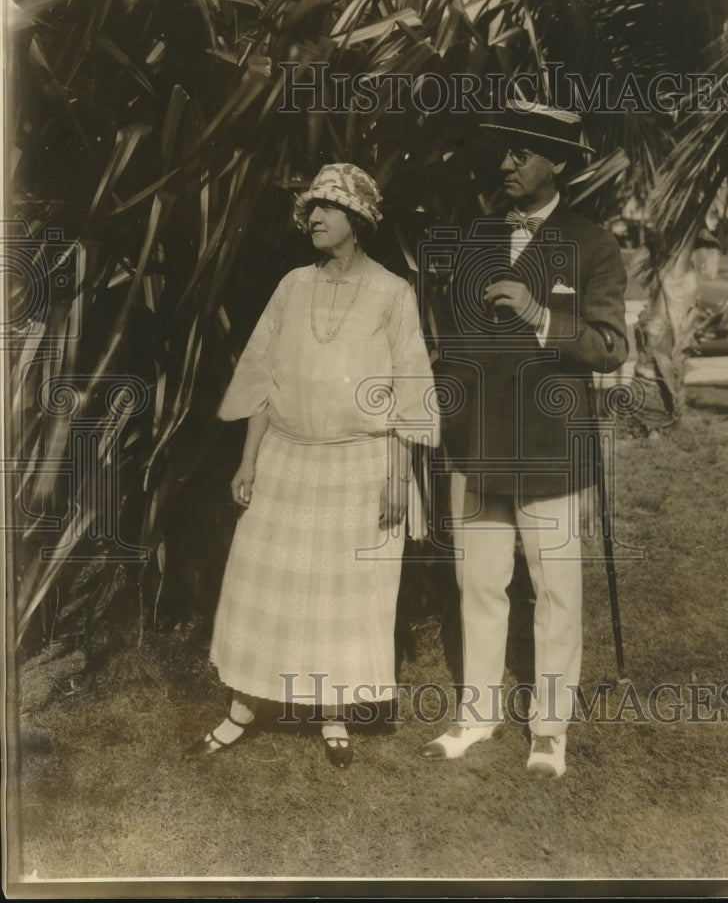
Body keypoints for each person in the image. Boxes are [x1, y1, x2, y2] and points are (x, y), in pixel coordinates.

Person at [187, 163, 439, 769]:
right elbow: (262, 380)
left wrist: (398, 480)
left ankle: (335, 712)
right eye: (310, 212)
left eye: (326, 210)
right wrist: (249, 458)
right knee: (265, 584)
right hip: (286, 460)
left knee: (345, 594)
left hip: (362, 467)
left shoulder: (393, 293)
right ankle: (245, 706)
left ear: (356, 219)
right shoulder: (292, 285)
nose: (314, 220)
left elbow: (409, 392)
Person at [420, 102, 628, 777]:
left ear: (558, 165)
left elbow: (607, 347)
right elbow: (452, 348)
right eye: (503, 151)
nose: (505, 163)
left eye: (521, 153)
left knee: (556, 592)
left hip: (551, 450)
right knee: (478, 585)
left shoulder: (593, 243)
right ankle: (477, 716)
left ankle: (549, 731)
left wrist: (542, 313)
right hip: (477, 444)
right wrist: (444, 427)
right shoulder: (476, 238)